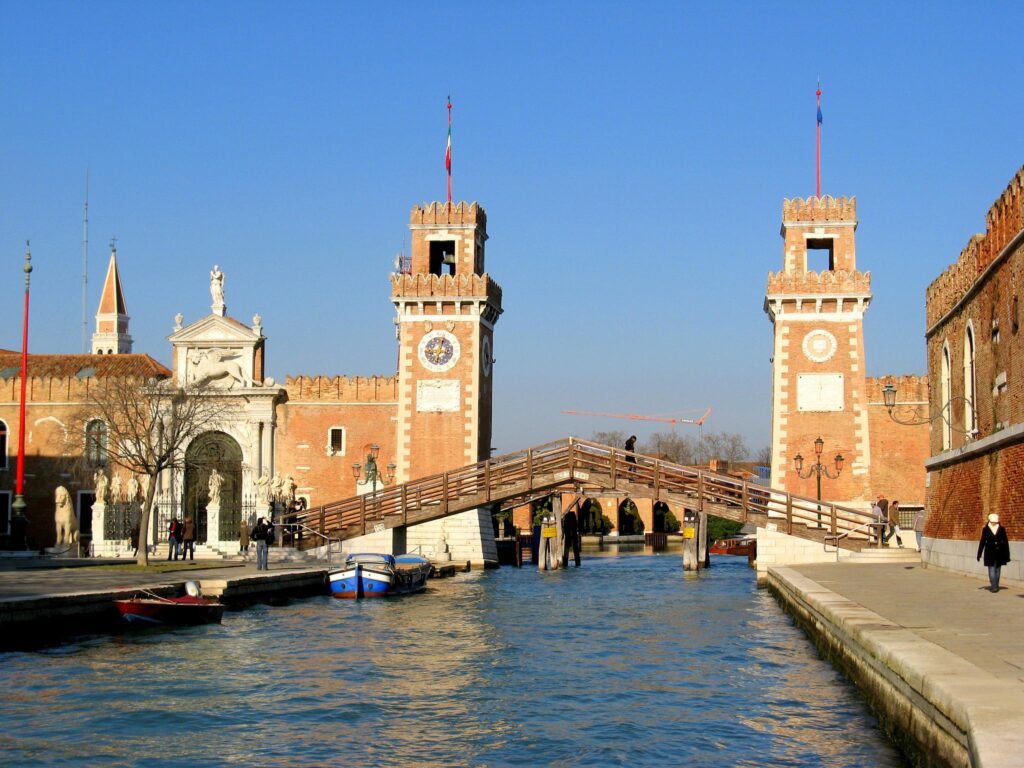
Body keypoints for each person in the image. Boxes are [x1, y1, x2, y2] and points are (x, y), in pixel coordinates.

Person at [977, 513, 1011, 593]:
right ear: (990, 521)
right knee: (991, 569)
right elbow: (982, 542)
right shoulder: (985, 529)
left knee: (998, 570)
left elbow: (1005, 542)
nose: (994, 523)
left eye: (995, 522)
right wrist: (979, 554)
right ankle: (994, 586)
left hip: (1000, 552)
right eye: (993, 521)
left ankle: (995, 585)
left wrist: (1007, 554)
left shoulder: (1002, 529)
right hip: (989, 552)